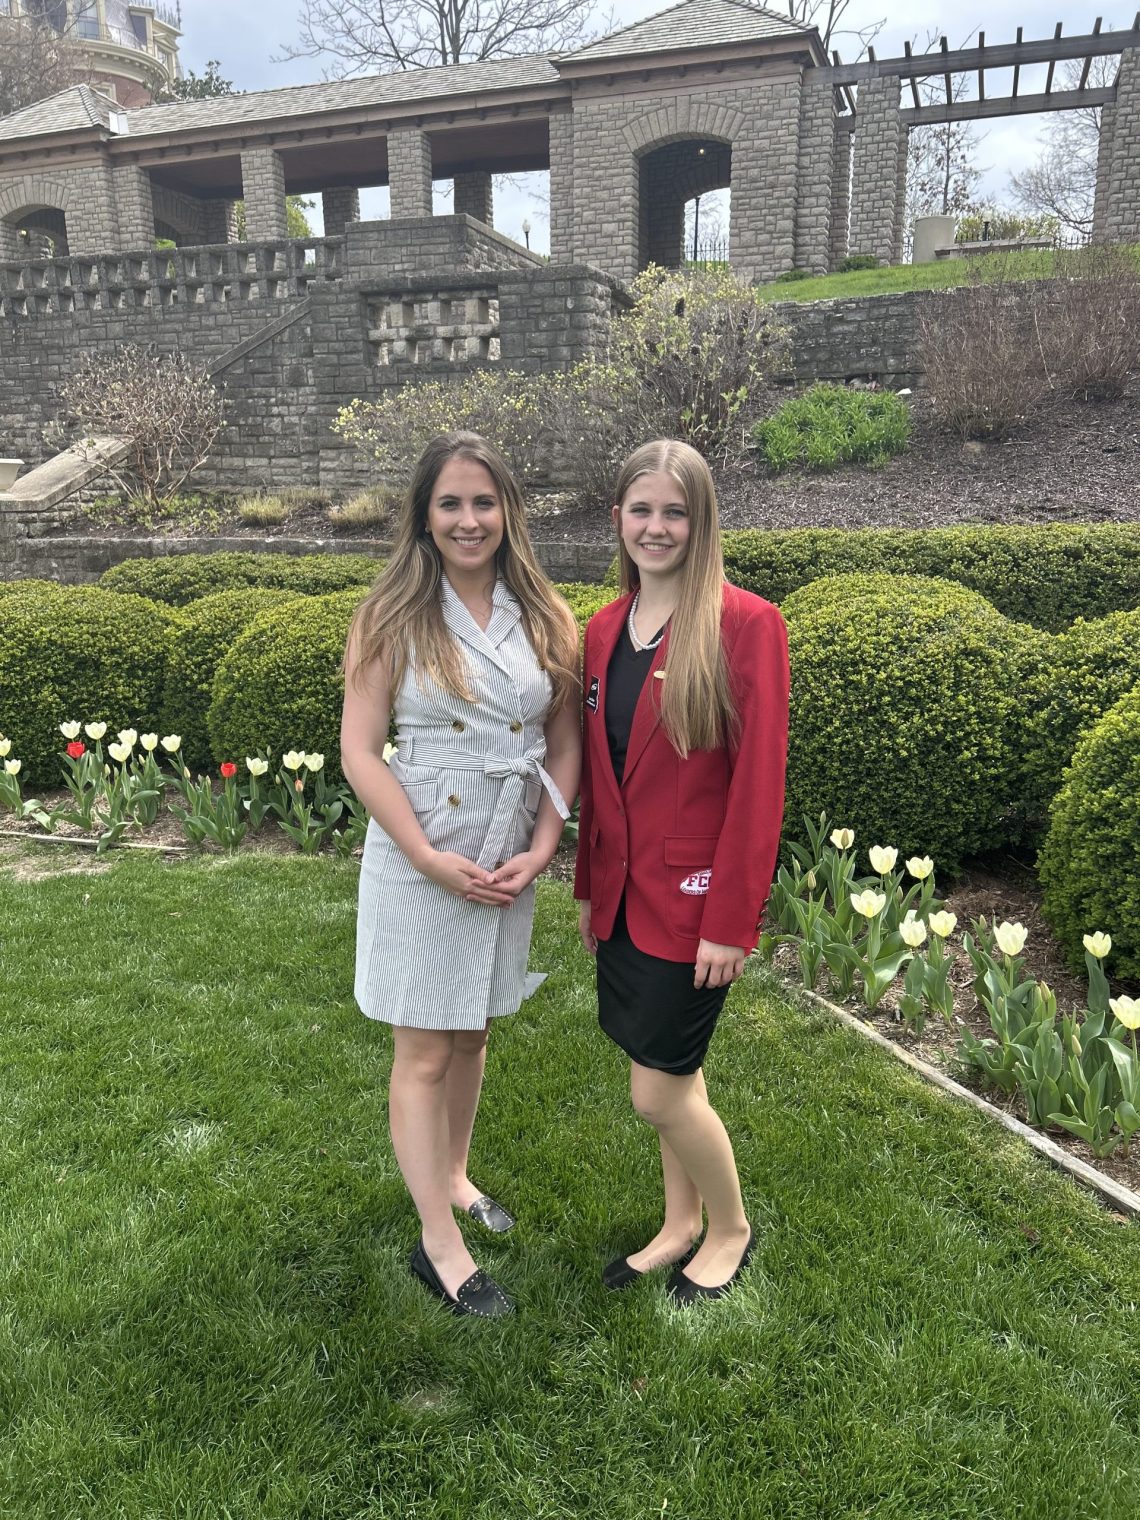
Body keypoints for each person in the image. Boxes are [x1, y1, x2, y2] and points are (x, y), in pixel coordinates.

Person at [341, 432, 580, 1319]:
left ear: (507, 511)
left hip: (507, 846)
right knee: (426, 1046)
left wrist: (548, 839)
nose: (469, 520)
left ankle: (453, 1172)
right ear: (425, 516)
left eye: (484, 502)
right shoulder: (392, 614)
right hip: (422, 851)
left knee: (475, 1031)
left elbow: (564, 740)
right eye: (450, 503)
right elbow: (361, 753)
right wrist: (425, 855)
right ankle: (437, 1244)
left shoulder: (542, 610)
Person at [575, 439, 789, 1305]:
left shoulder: (745, 625)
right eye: (641, 509)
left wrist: (733, 920)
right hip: (623, 900)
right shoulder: (599, 629)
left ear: (700, 523)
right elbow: (602, 774)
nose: (655, 527)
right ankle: (678, 1225)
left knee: (657, 1094)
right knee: (674, 1073)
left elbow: (757, 785)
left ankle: (731, 1227)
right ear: (618, 517)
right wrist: (590, 892)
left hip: (696, 907)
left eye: (675, 512)